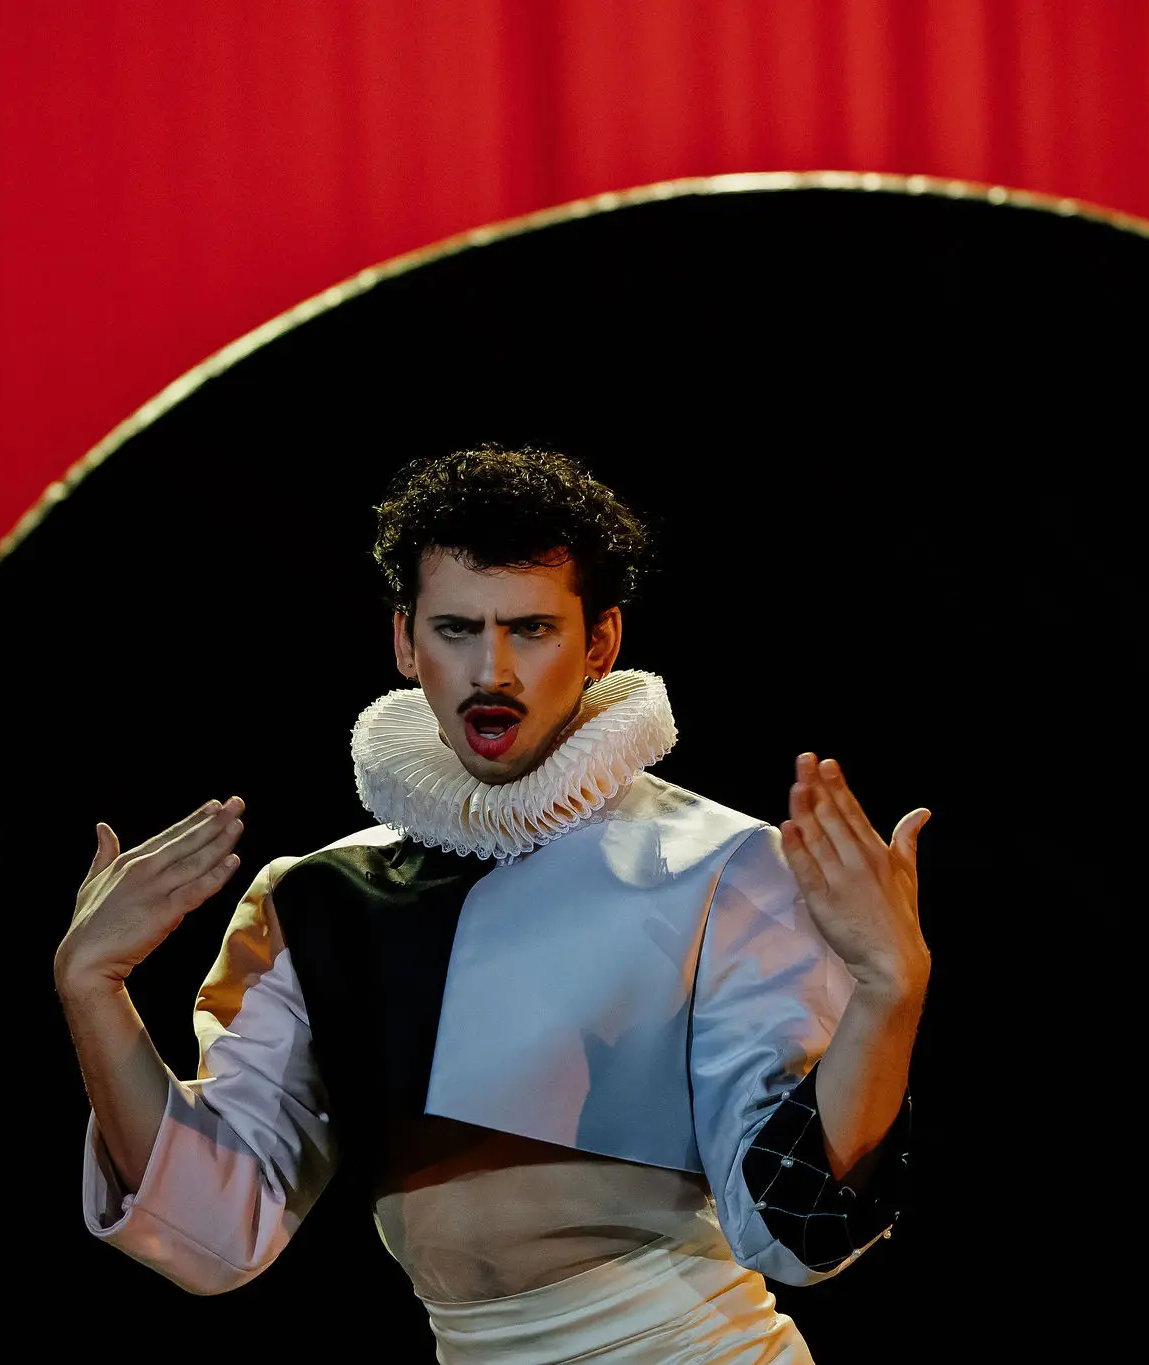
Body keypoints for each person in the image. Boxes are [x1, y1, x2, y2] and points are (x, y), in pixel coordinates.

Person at [54, 446, 931, 1363]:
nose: (494, 668)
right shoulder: (315, 899)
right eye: (458, 628)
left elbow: (794, 1231)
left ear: (601, 643)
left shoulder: (720, 864)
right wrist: (92, 987)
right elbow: (211, 1231)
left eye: (533, 629)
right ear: (405, 641)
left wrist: (889, 989)